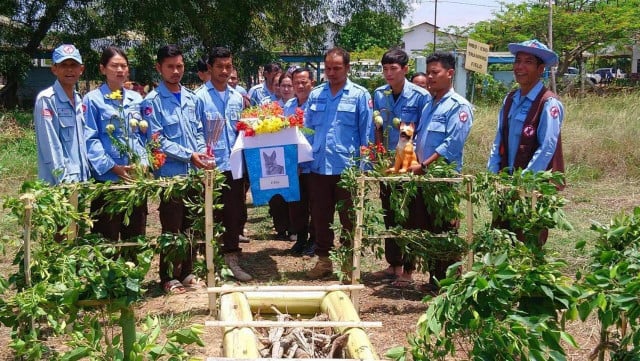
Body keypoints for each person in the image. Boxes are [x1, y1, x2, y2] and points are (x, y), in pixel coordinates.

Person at [142, 44, 211, 294]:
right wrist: (189, 155)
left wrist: (202, 152)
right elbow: (156, 139)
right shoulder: (152, 102)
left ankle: (188, 271)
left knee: (191, 225)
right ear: (159, 67)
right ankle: (169, 276)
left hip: (194, 173)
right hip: (171, 175)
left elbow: (199, 131)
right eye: (170, 66)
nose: (176, 71)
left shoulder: (192, 99)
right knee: (172, 226)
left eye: (179, 66)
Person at [405, 51, 474, 289]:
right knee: (427, 227)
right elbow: (418, 138)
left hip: (443, 179)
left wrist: (424, 165)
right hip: (424, 176)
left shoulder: (459, 106)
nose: (431, 78)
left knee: (444, 228)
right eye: (429, 73)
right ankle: (435, 280)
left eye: (435, 73)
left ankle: (450, 283)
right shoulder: (429, 105)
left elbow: (452, 145)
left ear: (450, 73)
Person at [487, 39, 565, 245]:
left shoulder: (549, 103)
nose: (520, 67)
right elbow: (499, 139)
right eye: (518, 61)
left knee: (528, 241)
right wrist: (493, 172)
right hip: (506, 183)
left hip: (532, 186)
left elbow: (547, 147)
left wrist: (523, 183)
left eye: (528, 62)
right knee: (501, 239)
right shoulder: (510, 99)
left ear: (541, 69)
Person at [305, 47, 373, 279]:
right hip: (318, 167)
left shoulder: (360, 95)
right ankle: (323, 261)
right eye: (328, 69)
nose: (331, 73)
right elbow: (308, 130)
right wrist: (304, 159)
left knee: (349, 219)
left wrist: (364, 168)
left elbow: (367, 134)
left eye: (337, 68)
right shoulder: (316, 94)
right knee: (320, 217)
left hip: (347, 168)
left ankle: (347, 263)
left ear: (347, 68)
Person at [370, 48, 431, 281]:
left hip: (408, 163)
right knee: (389, 212)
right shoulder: (380, 94)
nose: (388, 74)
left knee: (408, 214)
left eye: (393, 69)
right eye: (385, 69)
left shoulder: (419, 96)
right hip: (387, 164)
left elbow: (422, 131)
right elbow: (377, 127)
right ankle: (393, 264)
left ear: (405, 69)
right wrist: (376, 154)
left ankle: (408, 268)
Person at [195, 46, 253, 282]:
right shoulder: (198, 97)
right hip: (209, 167)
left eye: (228, 66)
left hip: (234, 165)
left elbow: (242, 130)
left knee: (234, 213)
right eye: (219, 66)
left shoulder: (237, 97)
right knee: (208, 213)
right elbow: (196, 130)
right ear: (209, 68)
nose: (224, 71)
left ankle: (231, 260)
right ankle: (207, 262)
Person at [84, 46, 148, 241]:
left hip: (135, 179)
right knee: (106, 238)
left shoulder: (136, 99)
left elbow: (143, 136)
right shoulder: (93, 100)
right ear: (103, 69)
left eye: (124, 66)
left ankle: (133, 271)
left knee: (135, 237)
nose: (120, 70)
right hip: (108, 181)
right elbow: (90, 139)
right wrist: (114, 168)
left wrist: (143, 162)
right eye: (114, 66)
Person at [34, 44, 90, 185]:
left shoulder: (78, 99)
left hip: (81, 181)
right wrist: (64, 182)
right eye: (64, 65)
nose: (69, 69)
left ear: (81, 69)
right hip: (60, 185)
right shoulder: (47, 99)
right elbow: (51, 145)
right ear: (54, 69)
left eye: (74, 65)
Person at [283, 68, 316, 254]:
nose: (300, 86)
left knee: (316, 205)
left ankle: (315, 240)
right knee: (296, 205)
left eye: (304, 82)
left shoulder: (317, 104)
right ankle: (301, 238)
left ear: (312, 82)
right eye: (297, 82)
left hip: (313, 164)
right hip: (293, 165)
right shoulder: (288, 106)